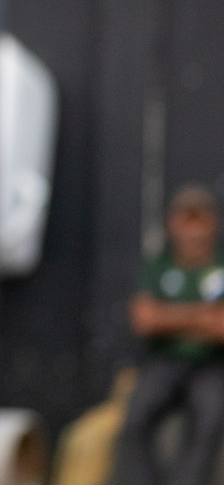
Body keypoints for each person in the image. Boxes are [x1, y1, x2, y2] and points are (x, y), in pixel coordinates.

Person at [113, 184, 224, 485]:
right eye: (186, 221)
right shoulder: (159, 264)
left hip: (212, 366)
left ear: (212, 224)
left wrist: (171, 314)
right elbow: (144, 320)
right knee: (135, 416)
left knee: (210, 417)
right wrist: (201, 314)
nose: (193, 232)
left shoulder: (219, 265)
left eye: (199, 221)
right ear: (172, 225)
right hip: (165, 362)